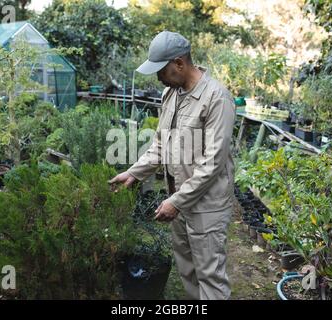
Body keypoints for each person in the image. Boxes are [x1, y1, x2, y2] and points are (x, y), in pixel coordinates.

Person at [109, 31, 235, 300]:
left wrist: (177, 201)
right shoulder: (171, 94)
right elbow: (160, 144)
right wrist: (134, 173)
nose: (158, 78)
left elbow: (212, 163)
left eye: (161, 70)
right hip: (178, 198)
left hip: (206, 206)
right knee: (187, 270)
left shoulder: (217, 98)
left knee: (210, 277)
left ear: (179, 63)